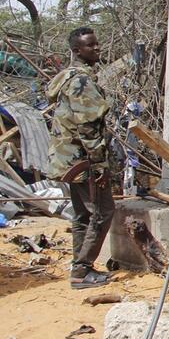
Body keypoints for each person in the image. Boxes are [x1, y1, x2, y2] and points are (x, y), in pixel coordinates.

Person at [47, 27, 115, 289]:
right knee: (103, 211)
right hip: (83, 160)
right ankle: (82, 269)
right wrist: (99, 162)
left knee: (83, 214)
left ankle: (80, 267)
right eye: (90, 45)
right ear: (77, 50)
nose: (97, 48)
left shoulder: (67, 78)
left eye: (97, 44)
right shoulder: (82, 82)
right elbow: (88, 127)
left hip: (68, 159)